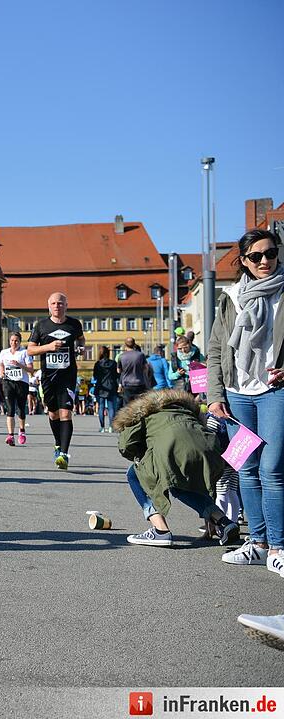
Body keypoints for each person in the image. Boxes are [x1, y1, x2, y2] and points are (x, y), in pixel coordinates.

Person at [207, 228, 284, 578]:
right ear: (243, 261)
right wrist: (214, 397)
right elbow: (215, 350)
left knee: (273, 469)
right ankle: (258, 542)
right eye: (256, 256)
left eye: (270, 253)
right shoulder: (231, 297)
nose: (265, 261)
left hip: (274, 391)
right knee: (246, 469)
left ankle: (279, 546)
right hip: (238, 393)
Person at [115, 388, 240, 547]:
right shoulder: (185, 409)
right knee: (179, 486)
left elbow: (126, 446)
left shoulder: (143, 412)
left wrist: (142, 456)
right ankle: (224, 522)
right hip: (209, 454)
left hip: (173, 452)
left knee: (134, 474)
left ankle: (160, 530)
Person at [27, 292, 85, 470]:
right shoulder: (41, 326)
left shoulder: (74, 324)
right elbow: (30, 350)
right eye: (53, 303)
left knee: (66, 413)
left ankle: (64, 455)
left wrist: (81, 348)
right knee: (53, 414)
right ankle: (58, 444)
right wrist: (49, 347)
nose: (57, 306)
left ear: (66, 305)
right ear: (48, 306)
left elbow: (81, 339)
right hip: (48, 376)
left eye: (60, 303)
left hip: (67, 375)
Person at [0, 332, 33, 446]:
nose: (14, 343)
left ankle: (22, 431)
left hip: (21, 383)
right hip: (8, 382)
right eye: (12, 340)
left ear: (20, 341)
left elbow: (31, 370)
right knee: (10, 409)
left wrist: (19, 365)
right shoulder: (4, 352)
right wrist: (1, 372)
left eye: (16, 341)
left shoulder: (24, 352)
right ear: (9, 341)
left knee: (21, 409)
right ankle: (10, 435)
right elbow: (1, 364)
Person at [93, 346, 120, 433]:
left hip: (101, 387)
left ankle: (102, 427)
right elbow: (117, 375)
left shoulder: (98, 364)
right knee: (111, 408)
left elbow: (95, 376)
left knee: (101, 407)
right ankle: (111, 427)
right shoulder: (113, 363)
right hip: (111, 387)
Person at [117, 337, 151, 404]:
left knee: (127, 405)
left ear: (125, 345)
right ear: (134, 344)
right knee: (139, 404)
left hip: (127, 384)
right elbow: (146, 368)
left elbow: (118, 371)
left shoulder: (121, 356)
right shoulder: (140, 355)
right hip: (139, 383)